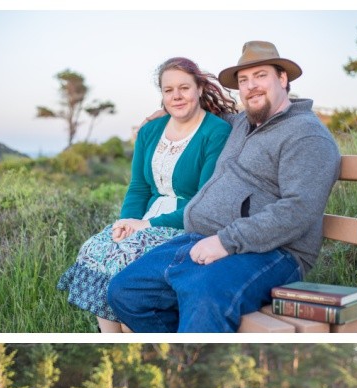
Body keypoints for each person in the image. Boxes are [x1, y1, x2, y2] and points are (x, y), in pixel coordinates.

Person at [106, 40, 342, 333]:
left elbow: (299, 210)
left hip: (275, 252)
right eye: (244, 80)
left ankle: (195, 362)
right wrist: (161, 116)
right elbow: (198, 114)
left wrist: (225, 242)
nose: (251, 86)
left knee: (204, 292)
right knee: (125, 290)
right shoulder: (244, 123)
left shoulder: (306, 136)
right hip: (204, 238)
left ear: (283, 79)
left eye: (261, 76)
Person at [57, 57, 235, 332]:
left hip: (186, 223)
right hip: (145, 221)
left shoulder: (216, 132)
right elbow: (139, 187)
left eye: (184, 88)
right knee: (96, 249)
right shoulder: (149, 132)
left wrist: (147, 225)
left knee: (128, 262)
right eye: (168, 90)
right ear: (162, 95)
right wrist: (126, 222)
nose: (176, 96)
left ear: (199, 89)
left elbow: (203, 200)